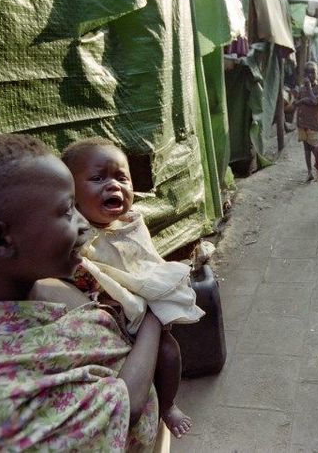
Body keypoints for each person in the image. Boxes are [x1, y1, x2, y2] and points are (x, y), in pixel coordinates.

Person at [0, 134, 166, 451]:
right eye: (67, 210)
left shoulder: (45, 289)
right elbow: (125, 407)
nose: (84, 224)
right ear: (0, 241)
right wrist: (155, 316)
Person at [62, 138, 204, 439]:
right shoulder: (76, 236)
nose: (113, 185)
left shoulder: (130, 224)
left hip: (142, 309)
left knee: (169, 353)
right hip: (109, 321)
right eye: (98, 178)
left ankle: (168, 404)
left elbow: (144, 261)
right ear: (71, 194)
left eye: (121, 177)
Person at [295, 61, 318, 181]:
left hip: (313, 124)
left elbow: (314, 101)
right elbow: (298, 101)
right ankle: (309, 172)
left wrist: (306, 92)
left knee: (314, 148)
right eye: (307, 73)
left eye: (313, 72)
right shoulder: (302, 88)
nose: (310, 75)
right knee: (306, 148)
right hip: (303, 123)